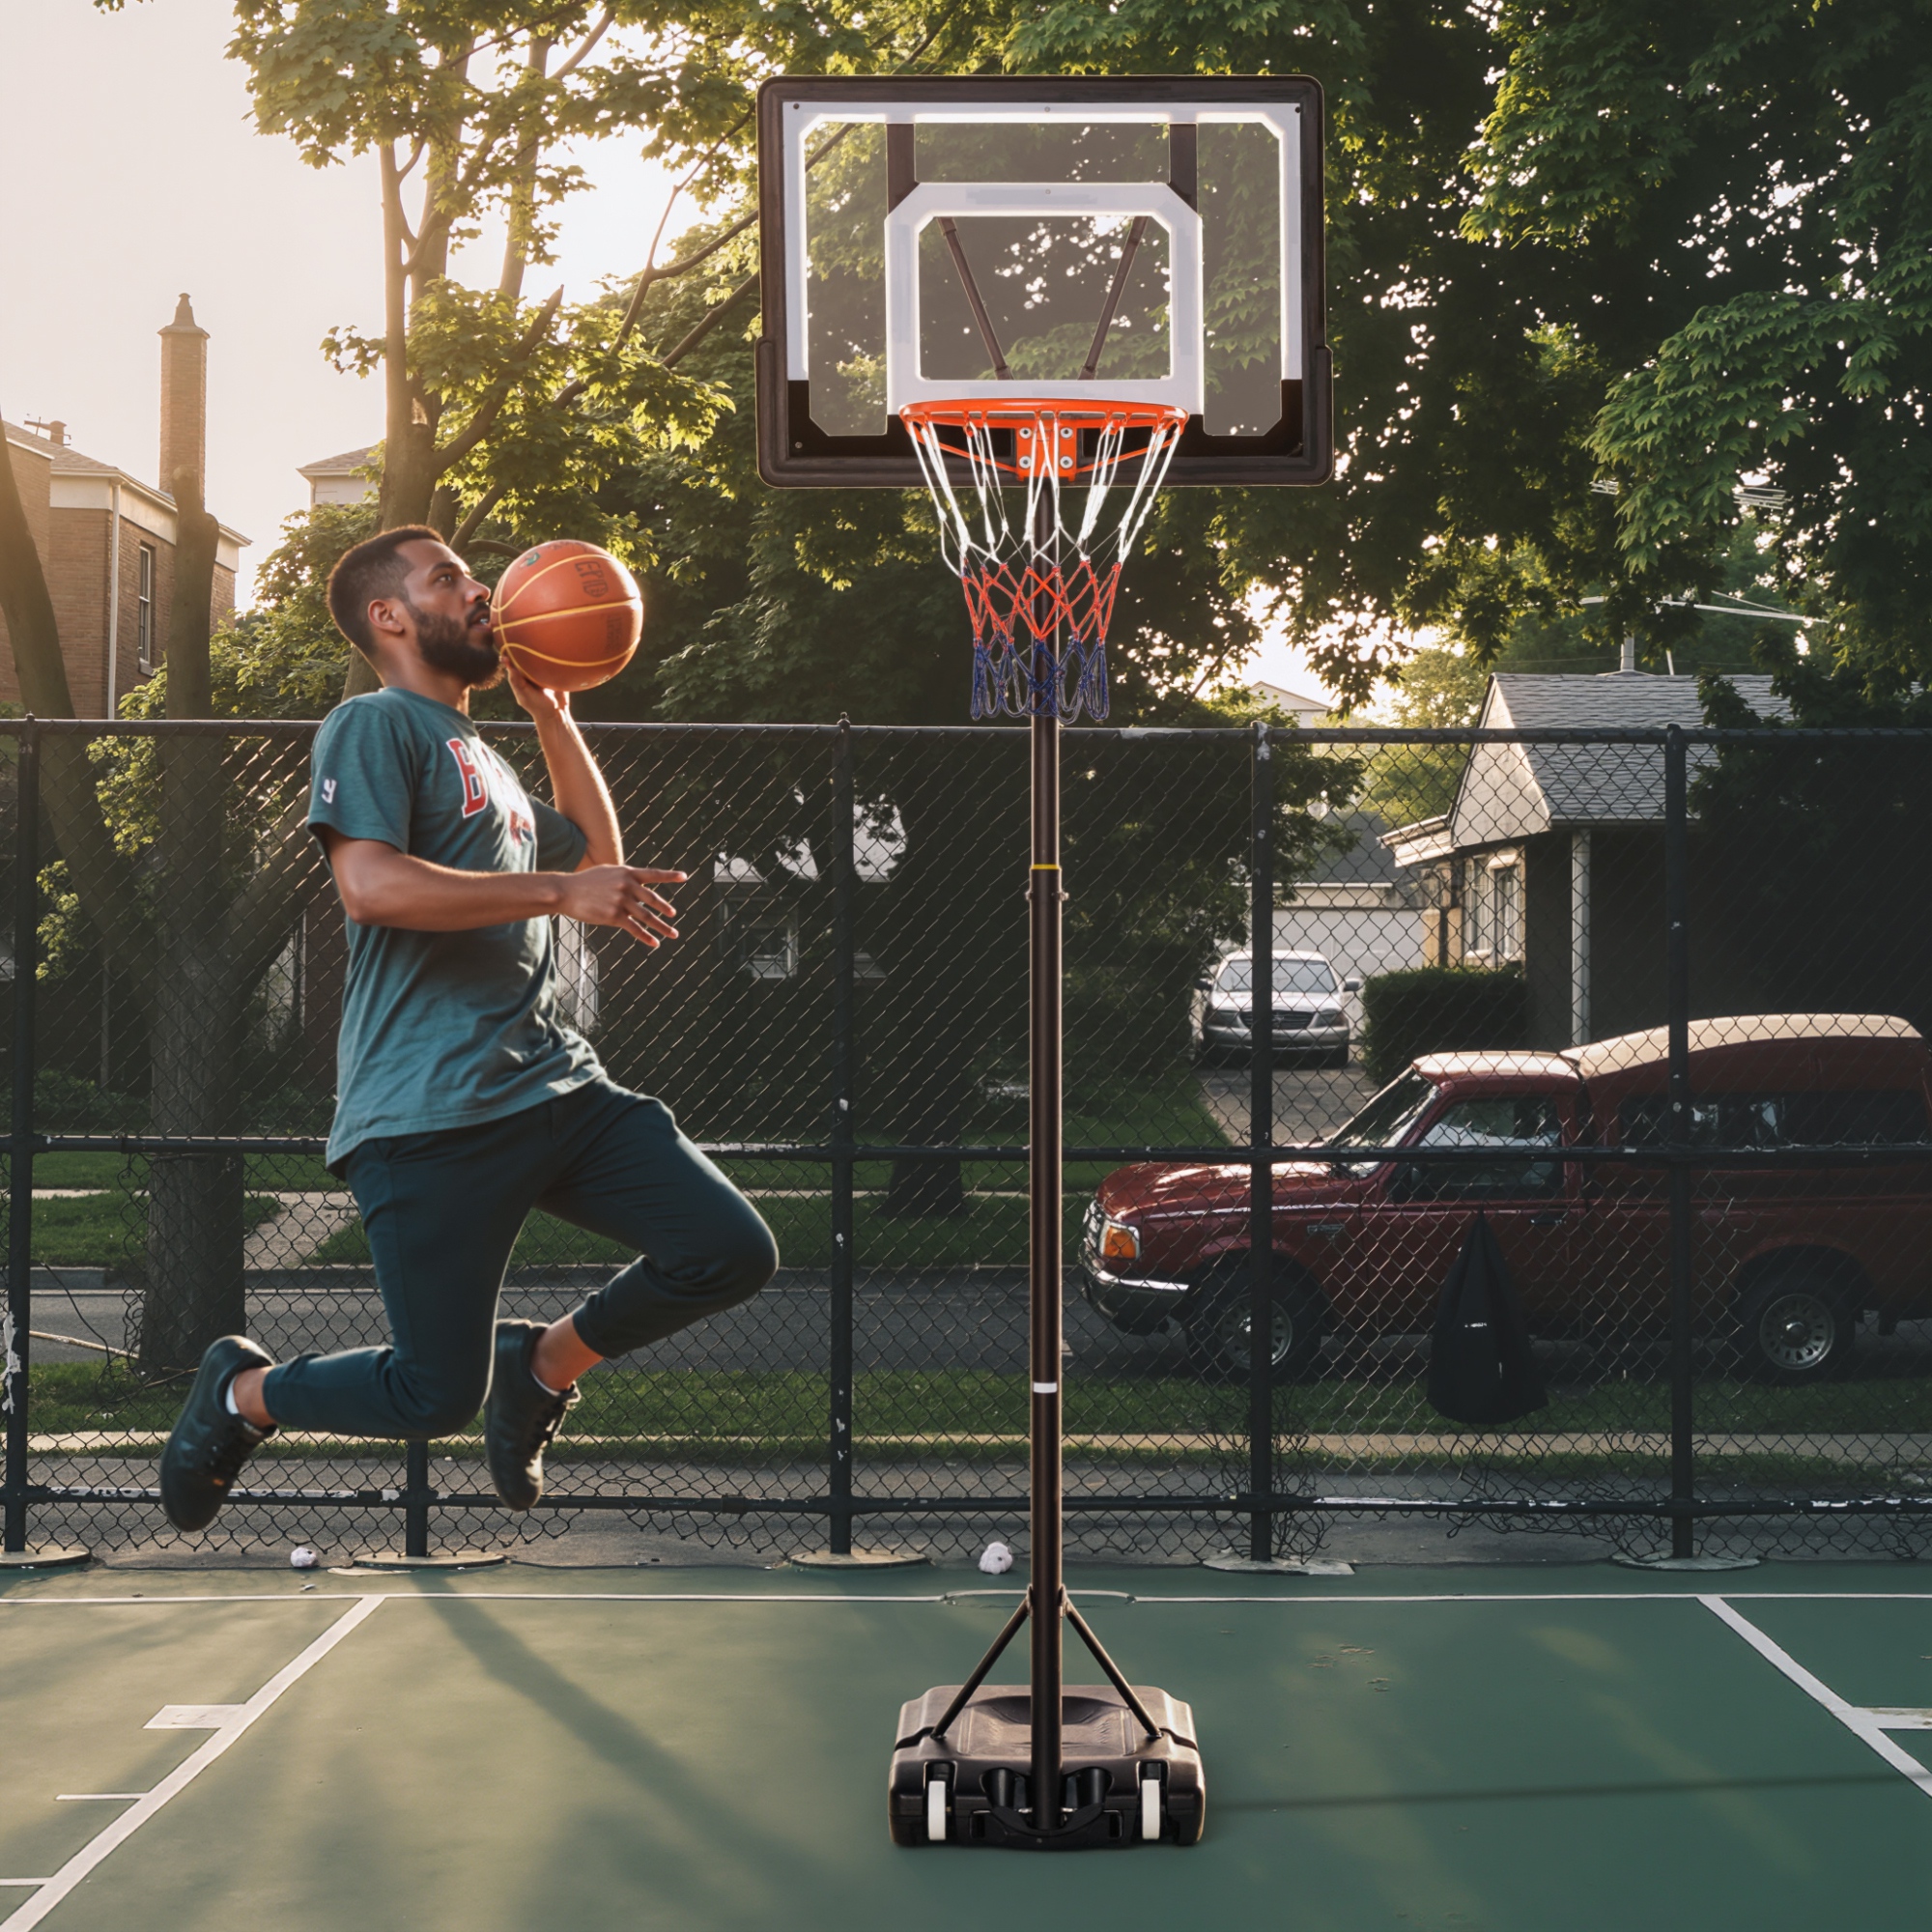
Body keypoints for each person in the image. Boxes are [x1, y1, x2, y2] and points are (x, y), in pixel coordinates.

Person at [159, 526, 779, 1532]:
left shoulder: (487, 757)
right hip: (430, 1113)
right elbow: (370, 886)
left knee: (727, 1249)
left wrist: (552, 716)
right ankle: (241, 1393)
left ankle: (539, 1366)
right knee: (433, 1395)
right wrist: (558, 890)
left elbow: (598, 860)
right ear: (389, 617)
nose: (480, 590)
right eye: (447, 578)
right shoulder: (372, 723)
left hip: (554, 1084)